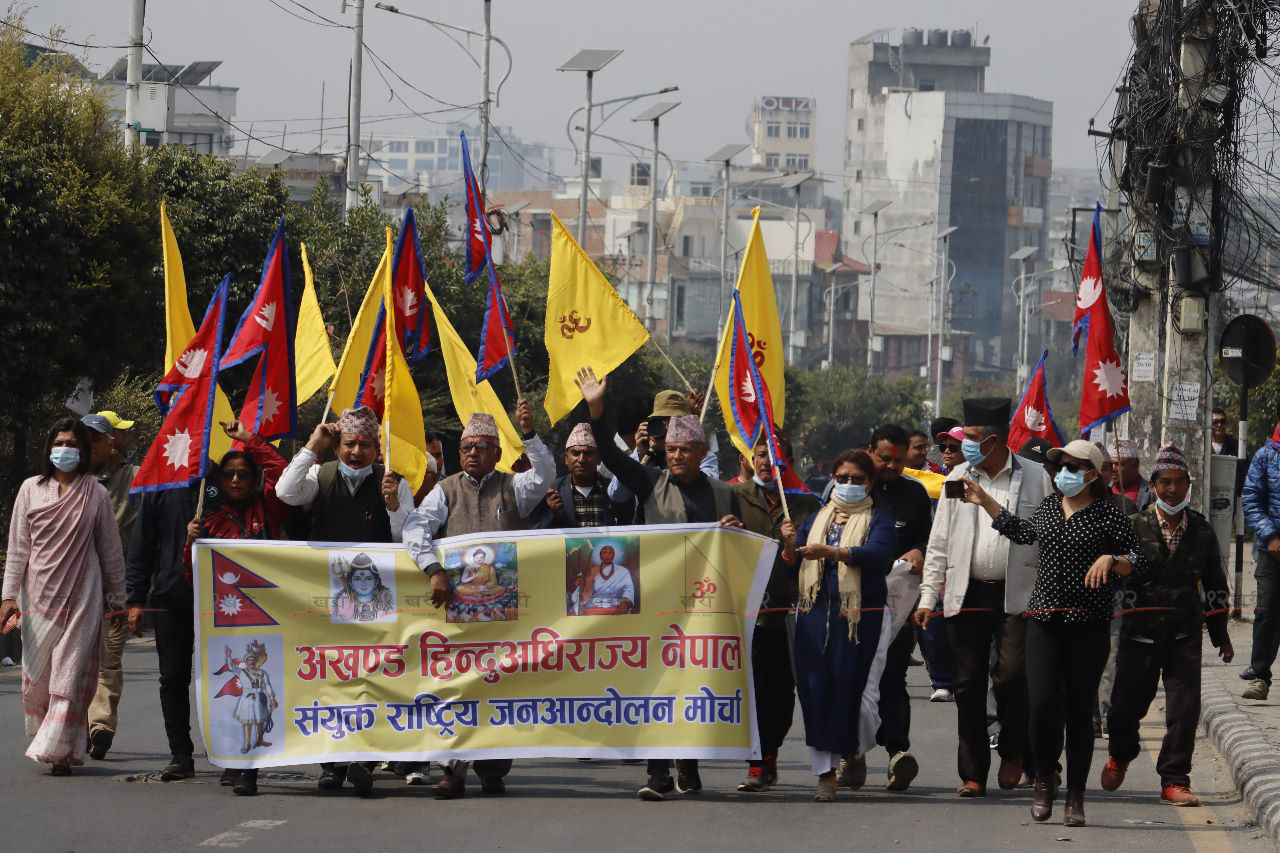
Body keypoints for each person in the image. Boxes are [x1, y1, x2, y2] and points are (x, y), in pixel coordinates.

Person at [576, 366, 743, 801]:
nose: (675, 457)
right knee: (656, 685)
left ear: (701, 450)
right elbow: (611, 461)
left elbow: (746, 545)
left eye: (684, 450)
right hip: (656, 607)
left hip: (704, 610)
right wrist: (597, 410)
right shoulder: (651, 482)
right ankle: (657, 774)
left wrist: (734, 530)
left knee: (694, 686)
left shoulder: (724, 494)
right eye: (670, 450)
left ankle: (687, 767)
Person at [963, 438, 1142, 827]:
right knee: (1041, 706)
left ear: (1093, 474)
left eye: (1074, 467)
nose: (1064, 474)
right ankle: (1045, 778)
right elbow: (1021, 531)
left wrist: (1112, 560)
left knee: (1079, 711)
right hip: (1043, 621)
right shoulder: (1047, 507)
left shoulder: (1110, 515)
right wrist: (984, 501)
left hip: (1089, 626)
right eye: (1060, 467)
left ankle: (1076, 795)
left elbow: (1138, 559)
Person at [402, 401, 555, 799]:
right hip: (459, 615)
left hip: (506, 614)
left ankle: (493, 769)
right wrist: (433, 569)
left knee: (499, 689)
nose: (472, 453)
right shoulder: (444, 490)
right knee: (459, 689)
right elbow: (415, 529)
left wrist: (530, 434)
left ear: (497, 454)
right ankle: (453, 769)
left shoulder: (513, 487)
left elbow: (547, 475)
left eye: (482, 447)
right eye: (467, 446)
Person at [914, 397, 1051, 797]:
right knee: (968, 684)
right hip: (966, 591)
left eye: (972, 437)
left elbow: (1044, 537)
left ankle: (1012, 749)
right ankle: (972, 773)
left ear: (994, 440)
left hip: (1019, 593)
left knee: (1012, 676)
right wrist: (927, 599)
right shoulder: (956, 475)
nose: (965, 443)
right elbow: (939, 542)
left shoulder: (1036, 475)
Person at [276, 405, 413, 797]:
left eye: (365, 445)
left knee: (371, 677)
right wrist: (312, 446)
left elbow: (409, 537)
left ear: (376, 447)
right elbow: (285, 492)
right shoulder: (321, 475)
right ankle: (332, 764)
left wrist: (394, 507)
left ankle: (365, 757)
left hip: (375, 595)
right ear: (339, 445)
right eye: (350, 444)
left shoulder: (393, 481)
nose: (356, 452)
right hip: (325, 595)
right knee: (330, 677)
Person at [1100, 444, 1233, 807]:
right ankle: (1121, 753)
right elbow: (1115, 578)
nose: (1172, 489)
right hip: (1138, 634)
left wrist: (1221, 635)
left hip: (1184, 635)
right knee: (1124, 709)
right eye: (1165, 482)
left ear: (1188, 485)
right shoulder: (1132, 525)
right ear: (1154, 486)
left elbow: (1216, 584)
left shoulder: (1202, 530)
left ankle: (1175, 779)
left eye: (1179, 482)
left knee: (1183, 712)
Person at [1, 418, 126, 775]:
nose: (65, 450)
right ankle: (59, 743)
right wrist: (8, 596)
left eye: (72, 444)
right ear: (48, 449)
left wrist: (119, 598)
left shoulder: (96, 493)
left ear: (83, 452)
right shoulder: (30, 489)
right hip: (38, 595)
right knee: (38, 680)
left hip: (83, 594)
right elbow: (18, 549)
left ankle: (58, 752)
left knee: (68, 675)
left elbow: (110, 550)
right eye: (59, 443)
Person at [179, 419, 289, 795]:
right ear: (220, 480)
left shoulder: (270, 507)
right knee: (225, 693)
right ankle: (231, 757)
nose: (237, 480)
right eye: (229, 474)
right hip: (224, 626)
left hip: (267, 622)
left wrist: (248, 440)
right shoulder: (207, 519)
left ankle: (250, 768)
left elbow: (283, 471)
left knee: (258, 694)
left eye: (244, 474)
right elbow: (193, 578)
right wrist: (190, 544)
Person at [793, 449, 896, 801]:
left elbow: (880, 553)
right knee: (814, 690)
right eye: (843, 478)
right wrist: (789, 547)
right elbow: (795, 560)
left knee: (854, 691)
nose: (849, 484)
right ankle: (825, 772)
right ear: (832, 479)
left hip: (858, 618)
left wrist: (834, 553)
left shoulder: (879, 518)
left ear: (870, 483)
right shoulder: (815, 518)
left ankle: (852, 747)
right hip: (813, 615)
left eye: (857, 479)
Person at [733, 432, 820, 793]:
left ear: (789, 462)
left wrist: (792, 543)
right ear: (748, 461)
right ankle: (758, 760)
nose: (767, 462)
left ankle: (770, 751)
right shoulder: (733, 499)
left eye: (775, 456)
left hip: (789, 614)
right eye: (760, 455)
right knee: (751, 691)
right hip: (744, 613)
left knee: (782, 694)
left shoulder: (805, 506)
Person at [863, 424, 933, 793]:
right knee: (855, 679)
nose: (890, 466)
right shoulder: (851, 487)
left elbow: (929, 539)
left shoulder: (915, 494)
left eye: (898, 460)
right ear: (869, 450)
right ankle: (850, 752)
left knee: (892, 679)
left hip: (899, 604)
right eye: (883, 458)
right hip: (853, 604)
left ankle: (897, 754)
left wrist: (920, 549)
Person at [80, 413, 139, 762]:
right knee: (70, 660)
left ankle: (100, 725)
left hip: (116, 587)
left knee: (108, 658)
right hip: (73, 588)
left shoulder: (134, 479)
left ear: (109, 442)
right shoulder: (68, 481)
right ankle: (71, 727)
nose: (89, 446)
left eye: (95, 439)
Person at [1241, 421, 1280, 698]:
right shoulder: (1266, 456)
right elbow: (1251, 500)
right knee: (1266, 611)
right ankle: (1260, 676)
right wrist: (1270, 536)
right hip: (1272, 549)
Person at [531, 422, 630, 529]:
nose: (582, 460)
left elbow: (629, 531)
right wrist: (552, 514)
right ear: (566, 458)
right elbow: (534, 535)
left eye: (588, 453)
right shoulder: (551, 492)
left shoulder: (614, 491)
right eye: (575, 453)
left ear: (598, 459)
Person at [570, 544, 635, 614]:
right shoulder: (593, 571)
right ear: (600, 556)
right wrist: (581, 585)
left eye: (610, 552)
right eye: (604, 552)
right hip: (594, 605)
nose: (607, 555)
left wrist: (625, 602)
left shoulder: (623, 571)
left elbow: (629, 589)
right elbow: (587, 591)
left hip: (616, 604)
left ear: (613, 556)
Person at [1112, 439, 1152, 510]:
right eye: (1111, 464)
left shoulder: (1150, 493)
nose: (1113, 469)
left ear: (1135, 465)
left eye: (1118, 464)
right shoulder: (1104, 489)